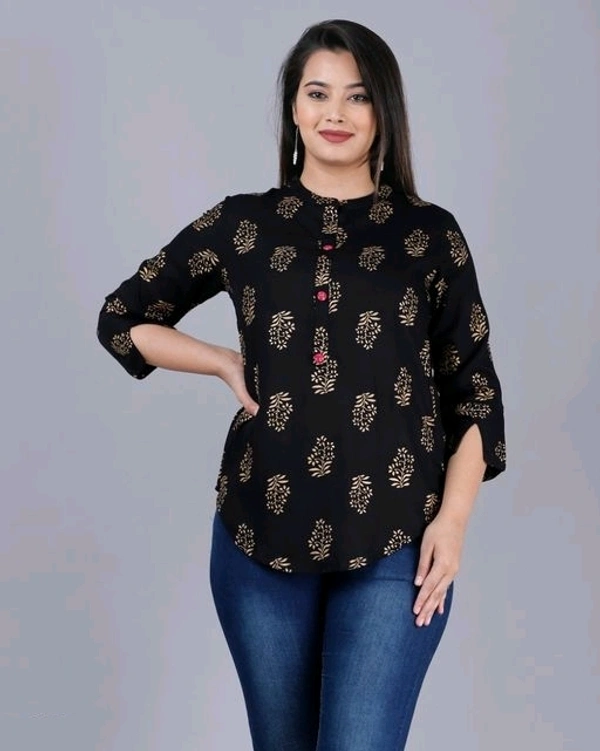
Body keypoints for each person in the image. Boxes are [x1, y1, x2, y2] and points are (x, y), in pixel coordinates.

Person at [97, 18, 506, 751]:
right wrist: (221, 360)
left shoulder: (429, 235)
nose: (335, 113)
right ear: (293, 107)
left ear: (384, 110)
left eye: (357, 96)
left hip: (397, 538)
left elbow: (474, 394)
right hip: (260, 535)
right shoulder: (244, 224)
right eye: (318, 94)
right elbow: (123, 318)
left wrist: (452, 523)